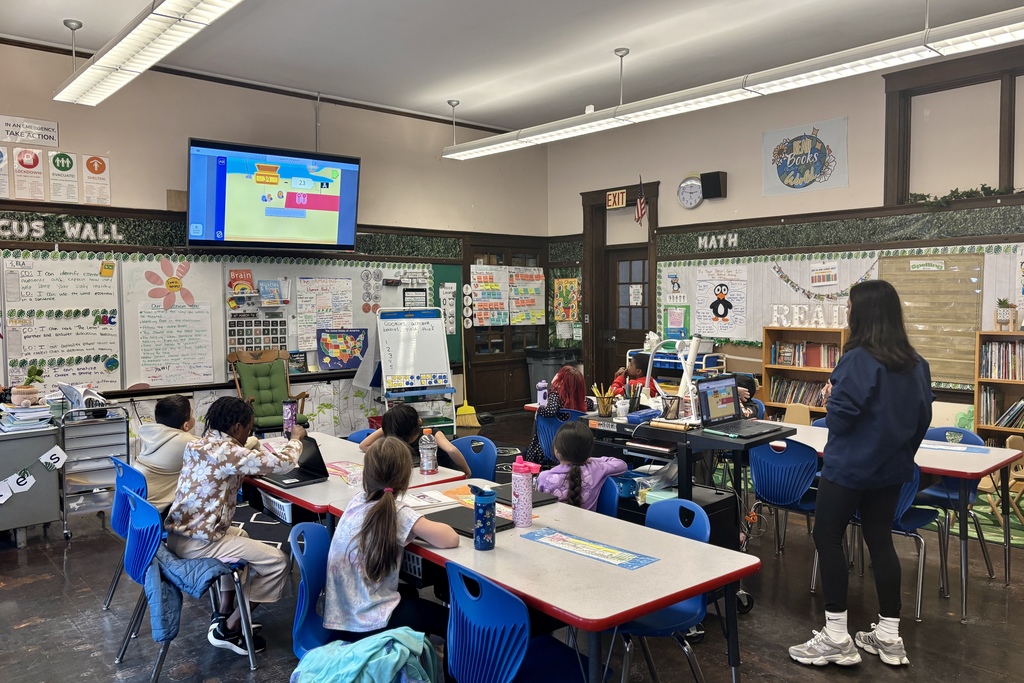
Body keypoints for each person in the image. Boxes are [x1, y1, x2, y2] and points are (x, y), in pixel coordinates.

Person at [789, 280, 932, 668]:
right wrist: (900, 453)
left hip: (849, 467)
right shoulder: (917, 363)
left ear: (862, 313)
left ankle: (836, 636)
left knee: (827, 536)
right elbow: (923, 420)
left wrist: (828, 398)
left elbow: (841, 419)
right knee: (880, 540)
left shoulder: (857, 359)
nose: (847, 312)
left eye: (850, 306)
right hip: (891, 470)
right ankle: (889, 635)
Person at [164, 396, 306, 656]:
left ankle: (225, 610)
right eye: (248, 430)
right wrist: (296, 438)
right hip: (200, 541)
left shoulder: (201, 444)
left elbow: (244, 459)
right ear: (237, 428)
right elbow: (283, 464)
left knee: (241, 534)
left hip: (181, 534)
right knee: (276, 561)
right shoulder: (228, 452)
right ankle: (230, 628)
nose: (248, 435)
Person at [324, 436, 459, 640]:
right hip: (369, 620)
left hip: (340, 616)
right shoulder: (398, 512)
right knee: (452, 623)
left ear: (366, 475)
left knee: (410, 593)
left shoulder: (357, 500)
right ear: (405, 478)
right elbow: (450, 539)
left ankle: (413, 655)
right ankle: (450, 671)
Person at [359, 403, 471, 476]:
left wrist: (467, 473)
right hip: (427, 476)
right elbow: (363, 446)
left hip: (447, 475)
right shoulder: (398, 441)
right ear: (419, 421)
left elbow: (452, 451)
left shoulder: (431, 434)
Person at [537, 421, 627, 511]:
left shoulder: (544, 477)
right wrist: (589, 459)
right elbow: (621, 464)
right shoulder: (596, 469)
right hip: (589, 524)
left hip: (552, 524)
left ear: (557, 452)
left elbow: (538, 509)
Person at [135, 395, 196, 513]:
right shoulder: (185, 442)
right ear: (186, 425)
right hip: (159, 514)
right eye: (192, 414)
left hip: (138, 509)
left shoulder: (151, 434)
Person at [525, 365, 596, 464]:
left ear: (562, 381)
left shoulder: (556, 395)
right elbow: (590, 403)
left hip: (548, 446)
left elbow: (550, 411)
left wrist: (540, 409)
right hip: (572, 447)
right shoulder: (578, 399)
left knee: (525, 452)